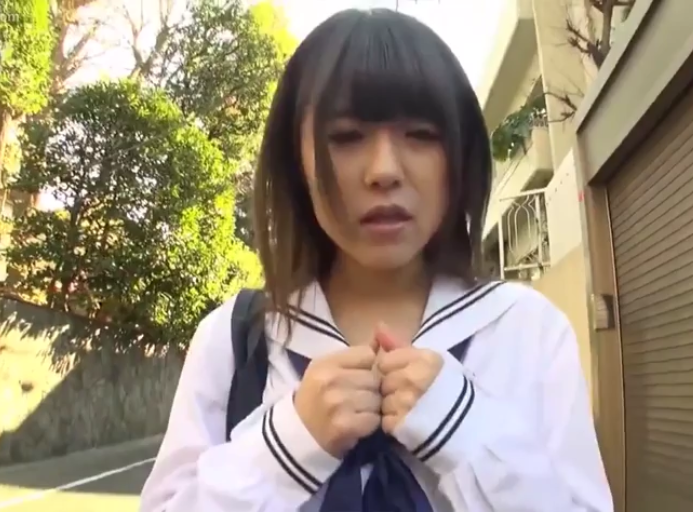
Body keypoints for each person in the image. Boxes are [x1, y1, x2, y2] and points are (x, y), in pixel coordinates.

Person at [139, 7, 613, 512]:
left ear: (460, 157)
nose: (384, 170)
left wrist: (465, 431)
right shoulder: (236, 340)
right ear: (295, 162)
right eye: (346, 137)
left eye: (421, 135)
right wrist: (287, 447)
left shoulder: (525, 330)